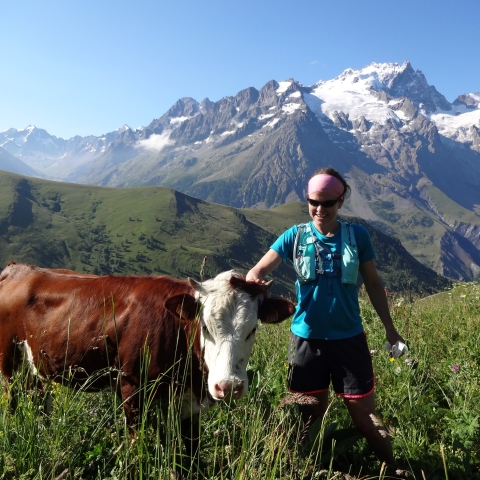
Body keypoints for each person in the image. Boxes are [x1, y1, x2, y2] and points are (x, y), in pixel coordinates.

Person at [246, 167, 404, 464]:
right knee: (308, 419)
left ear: (340, 202)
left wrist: (390, 329)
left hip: (349, 339)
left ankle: (393, 468)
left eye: (327, 203)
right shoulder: (294, 236)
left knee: (367, 419)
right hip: (306, 341)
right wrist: (255, 281)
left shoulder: (357, 236)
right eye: (312, 202)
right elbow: (257, 269)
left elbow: (373, 283)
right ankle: (310, 467)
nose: (319, 209)